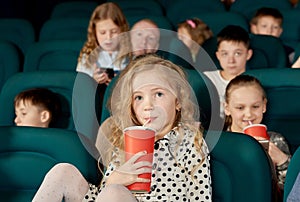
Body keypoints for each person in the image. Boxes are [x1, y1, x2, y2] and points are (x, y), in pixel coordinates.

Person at [32, 54, 212, 202]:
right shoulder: (128, 137)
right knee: (63, 171)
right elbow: (105, 193)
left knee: (114, 193)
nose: (148, 105)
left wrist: (113, 189)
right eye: (139, 97)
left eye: (158, 94)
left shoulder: (190, 141)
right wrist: (114, 180)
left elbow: (201, 198)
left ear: (178, 101)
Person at [223, 74, 291, 192]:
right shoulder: (220, 142)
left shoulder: (276, 140)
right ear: (227, 108)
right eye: (240, 108)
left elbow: (290, 191)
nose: (249, 114)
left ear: (264, 106)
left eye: (255, 106)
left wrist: (282, 160)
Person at [203, 25, 253, 119]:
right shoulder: (206, 79)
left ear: (248, 54)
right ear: (218, 55)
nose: (231, 60)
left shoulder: (254, 82)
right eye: (225, 54)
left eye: (237, 53)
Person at [76, 2, 131, 85]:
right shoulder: (87, 57)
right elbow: (81, 88)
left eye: (114, 31)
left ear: (122, 30)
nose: (108, 38)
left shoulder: (131, 54)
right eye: (102, 32)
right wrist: (93, 81)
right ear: (94, 33)